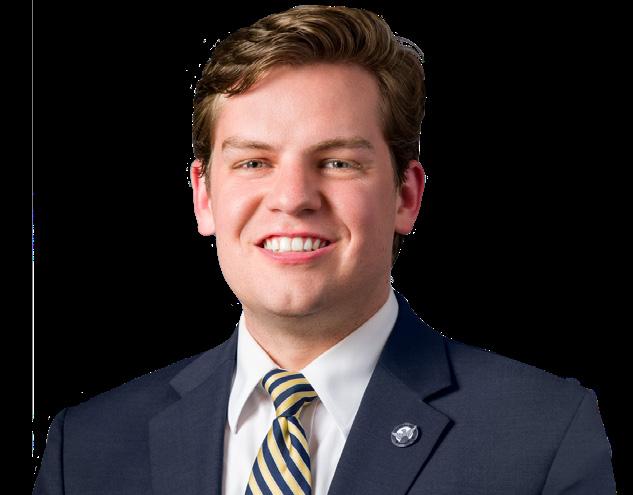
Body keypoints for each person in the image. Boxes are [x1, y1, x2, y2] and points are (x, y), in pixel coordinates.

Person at [33, 5, 615, 494]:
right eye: (253, 162)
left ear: (406, 196)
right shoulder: (85, 448)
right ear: (204, 197)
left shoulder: (545, 435)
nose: (292, 198)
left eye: (337, 162)